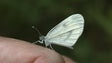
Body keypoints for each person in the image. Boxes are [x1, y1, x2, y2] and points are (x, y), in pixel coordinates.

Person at [0, 36, 75, 63]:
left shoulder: (47, 38)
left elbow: (48, 45)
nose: (41, 39)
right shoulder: (45, 40)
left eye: (41, 38)